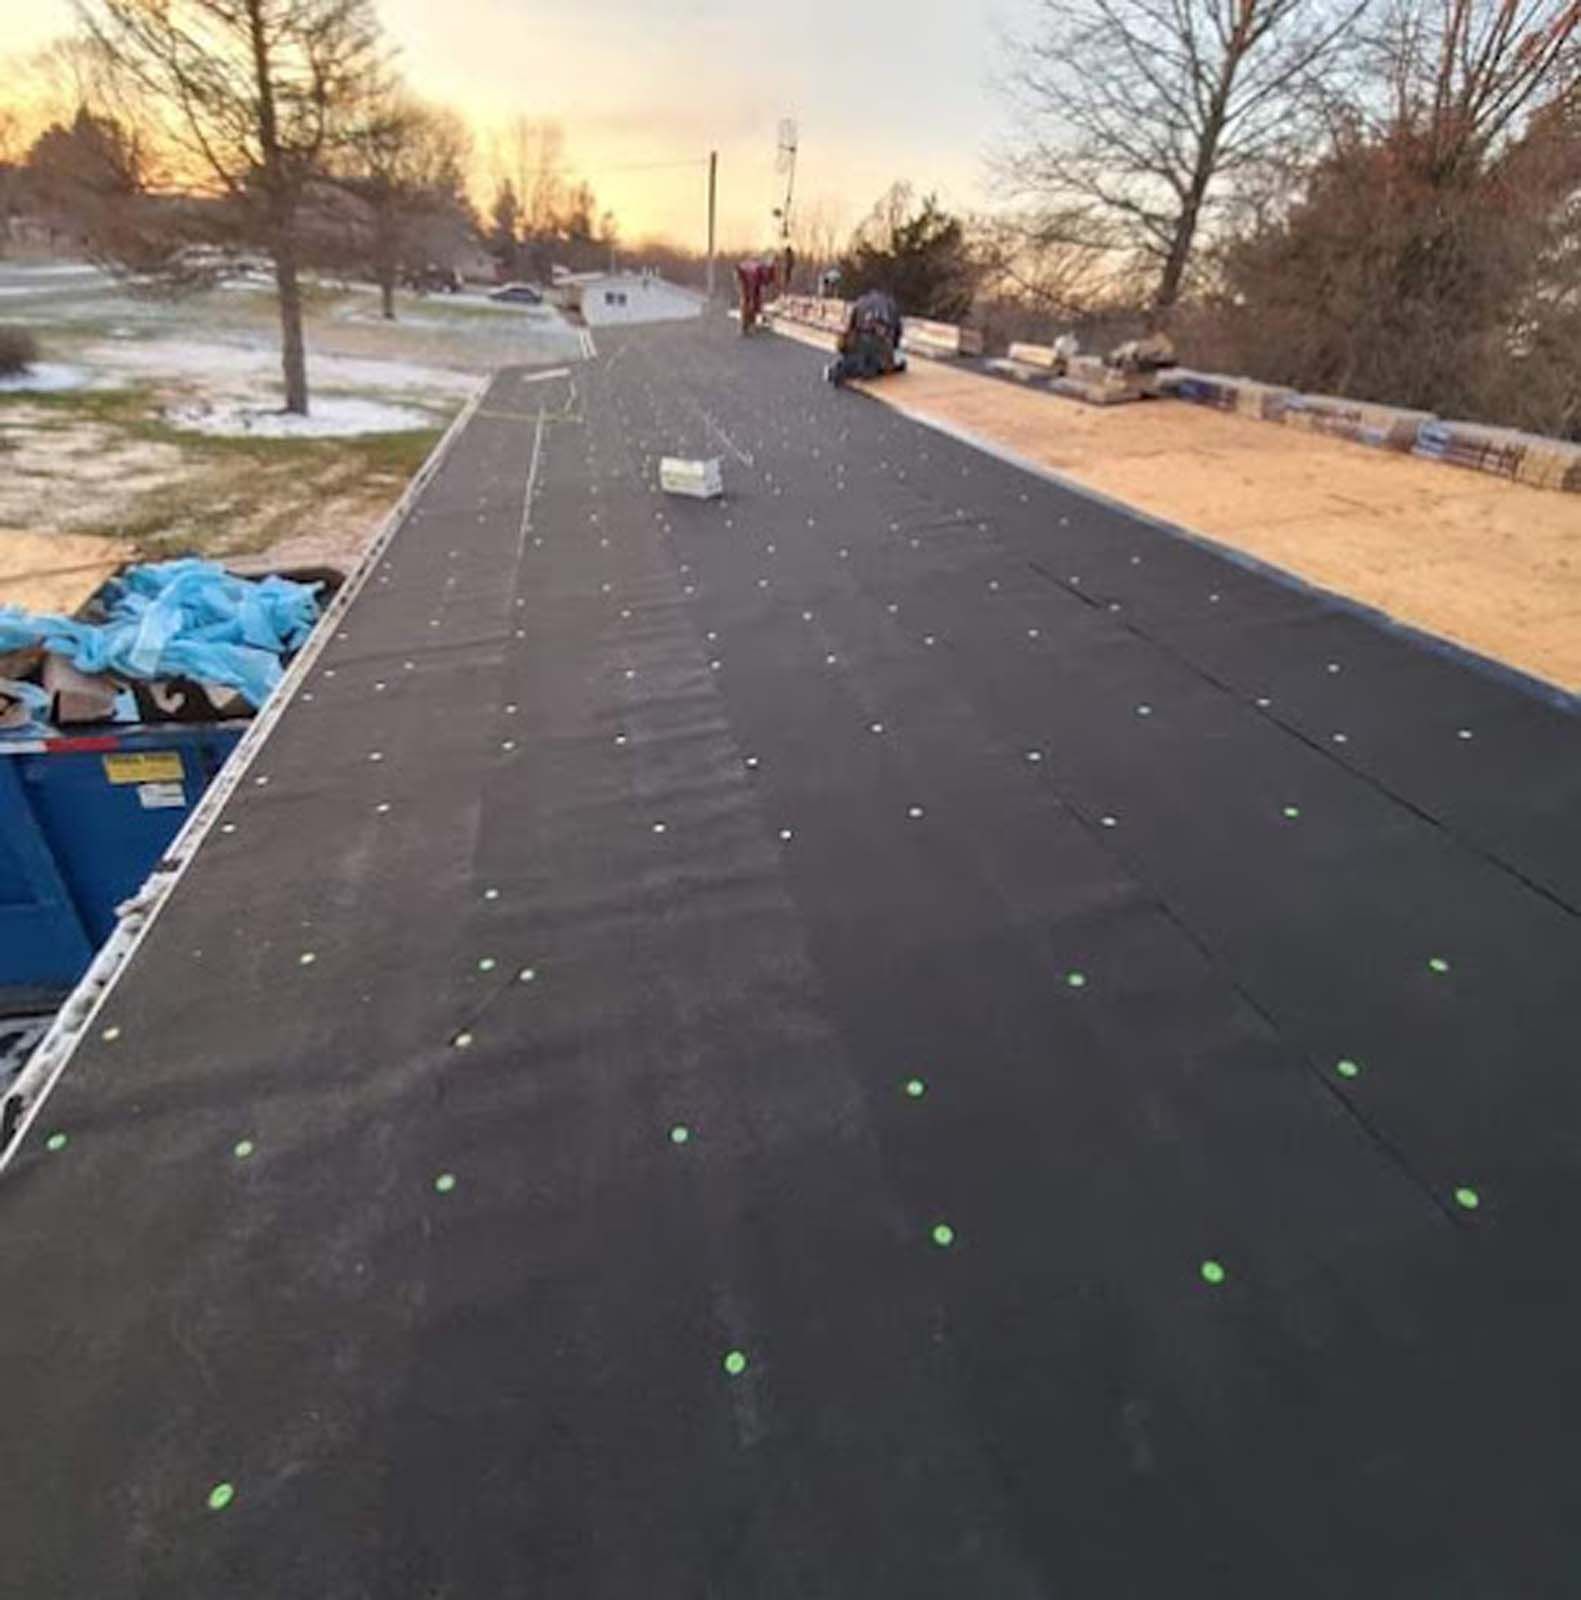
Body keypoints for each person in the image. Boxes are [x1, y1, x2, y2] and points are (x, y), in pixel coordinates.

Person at [825, 288, 907, 386]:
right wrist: (893, 349)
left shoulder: (860, 301)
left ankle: (841, 369)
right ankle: (857, 370)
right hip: (879, 344)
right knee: (877, 364)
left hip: (859, 340)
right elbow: (897, 332)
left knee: (855, 358)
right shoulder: (891, 304)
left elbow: (851, 326)